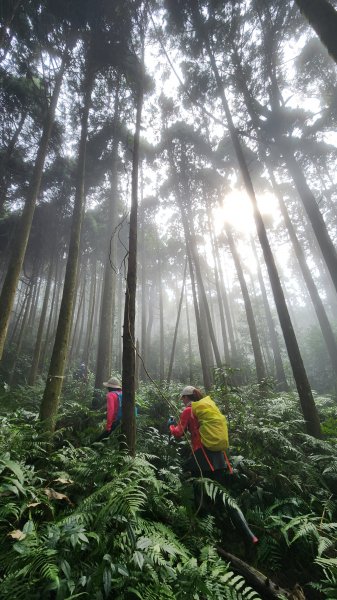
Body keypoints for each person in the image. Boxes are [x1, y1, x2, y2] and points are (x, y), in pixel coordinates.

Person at [168, 385, 258, 545]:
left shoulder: (189, 411)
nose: (181, 400)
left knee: (196, 488)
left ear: (186, 397)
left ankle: (202, 528)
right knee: (224, 497)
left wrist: (170, 426)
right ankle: (248, 535)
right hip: (219, 457)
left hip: (202, 458)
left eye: (182, 397)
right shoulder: (207, 407)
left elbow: (178, 434)